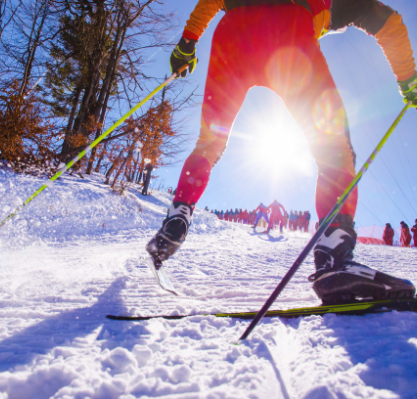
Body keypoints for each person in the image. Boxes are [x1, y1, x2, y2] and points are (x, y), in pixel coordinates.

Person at [145, 0, 417, 303]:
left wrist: (187, 42)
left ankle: (179, 212)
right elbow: (388, 21)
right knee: (333, 148)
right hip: (290, 34)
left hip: (233, 33)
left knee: (210, 141)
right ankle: (334, 254)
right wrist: (409, 80)